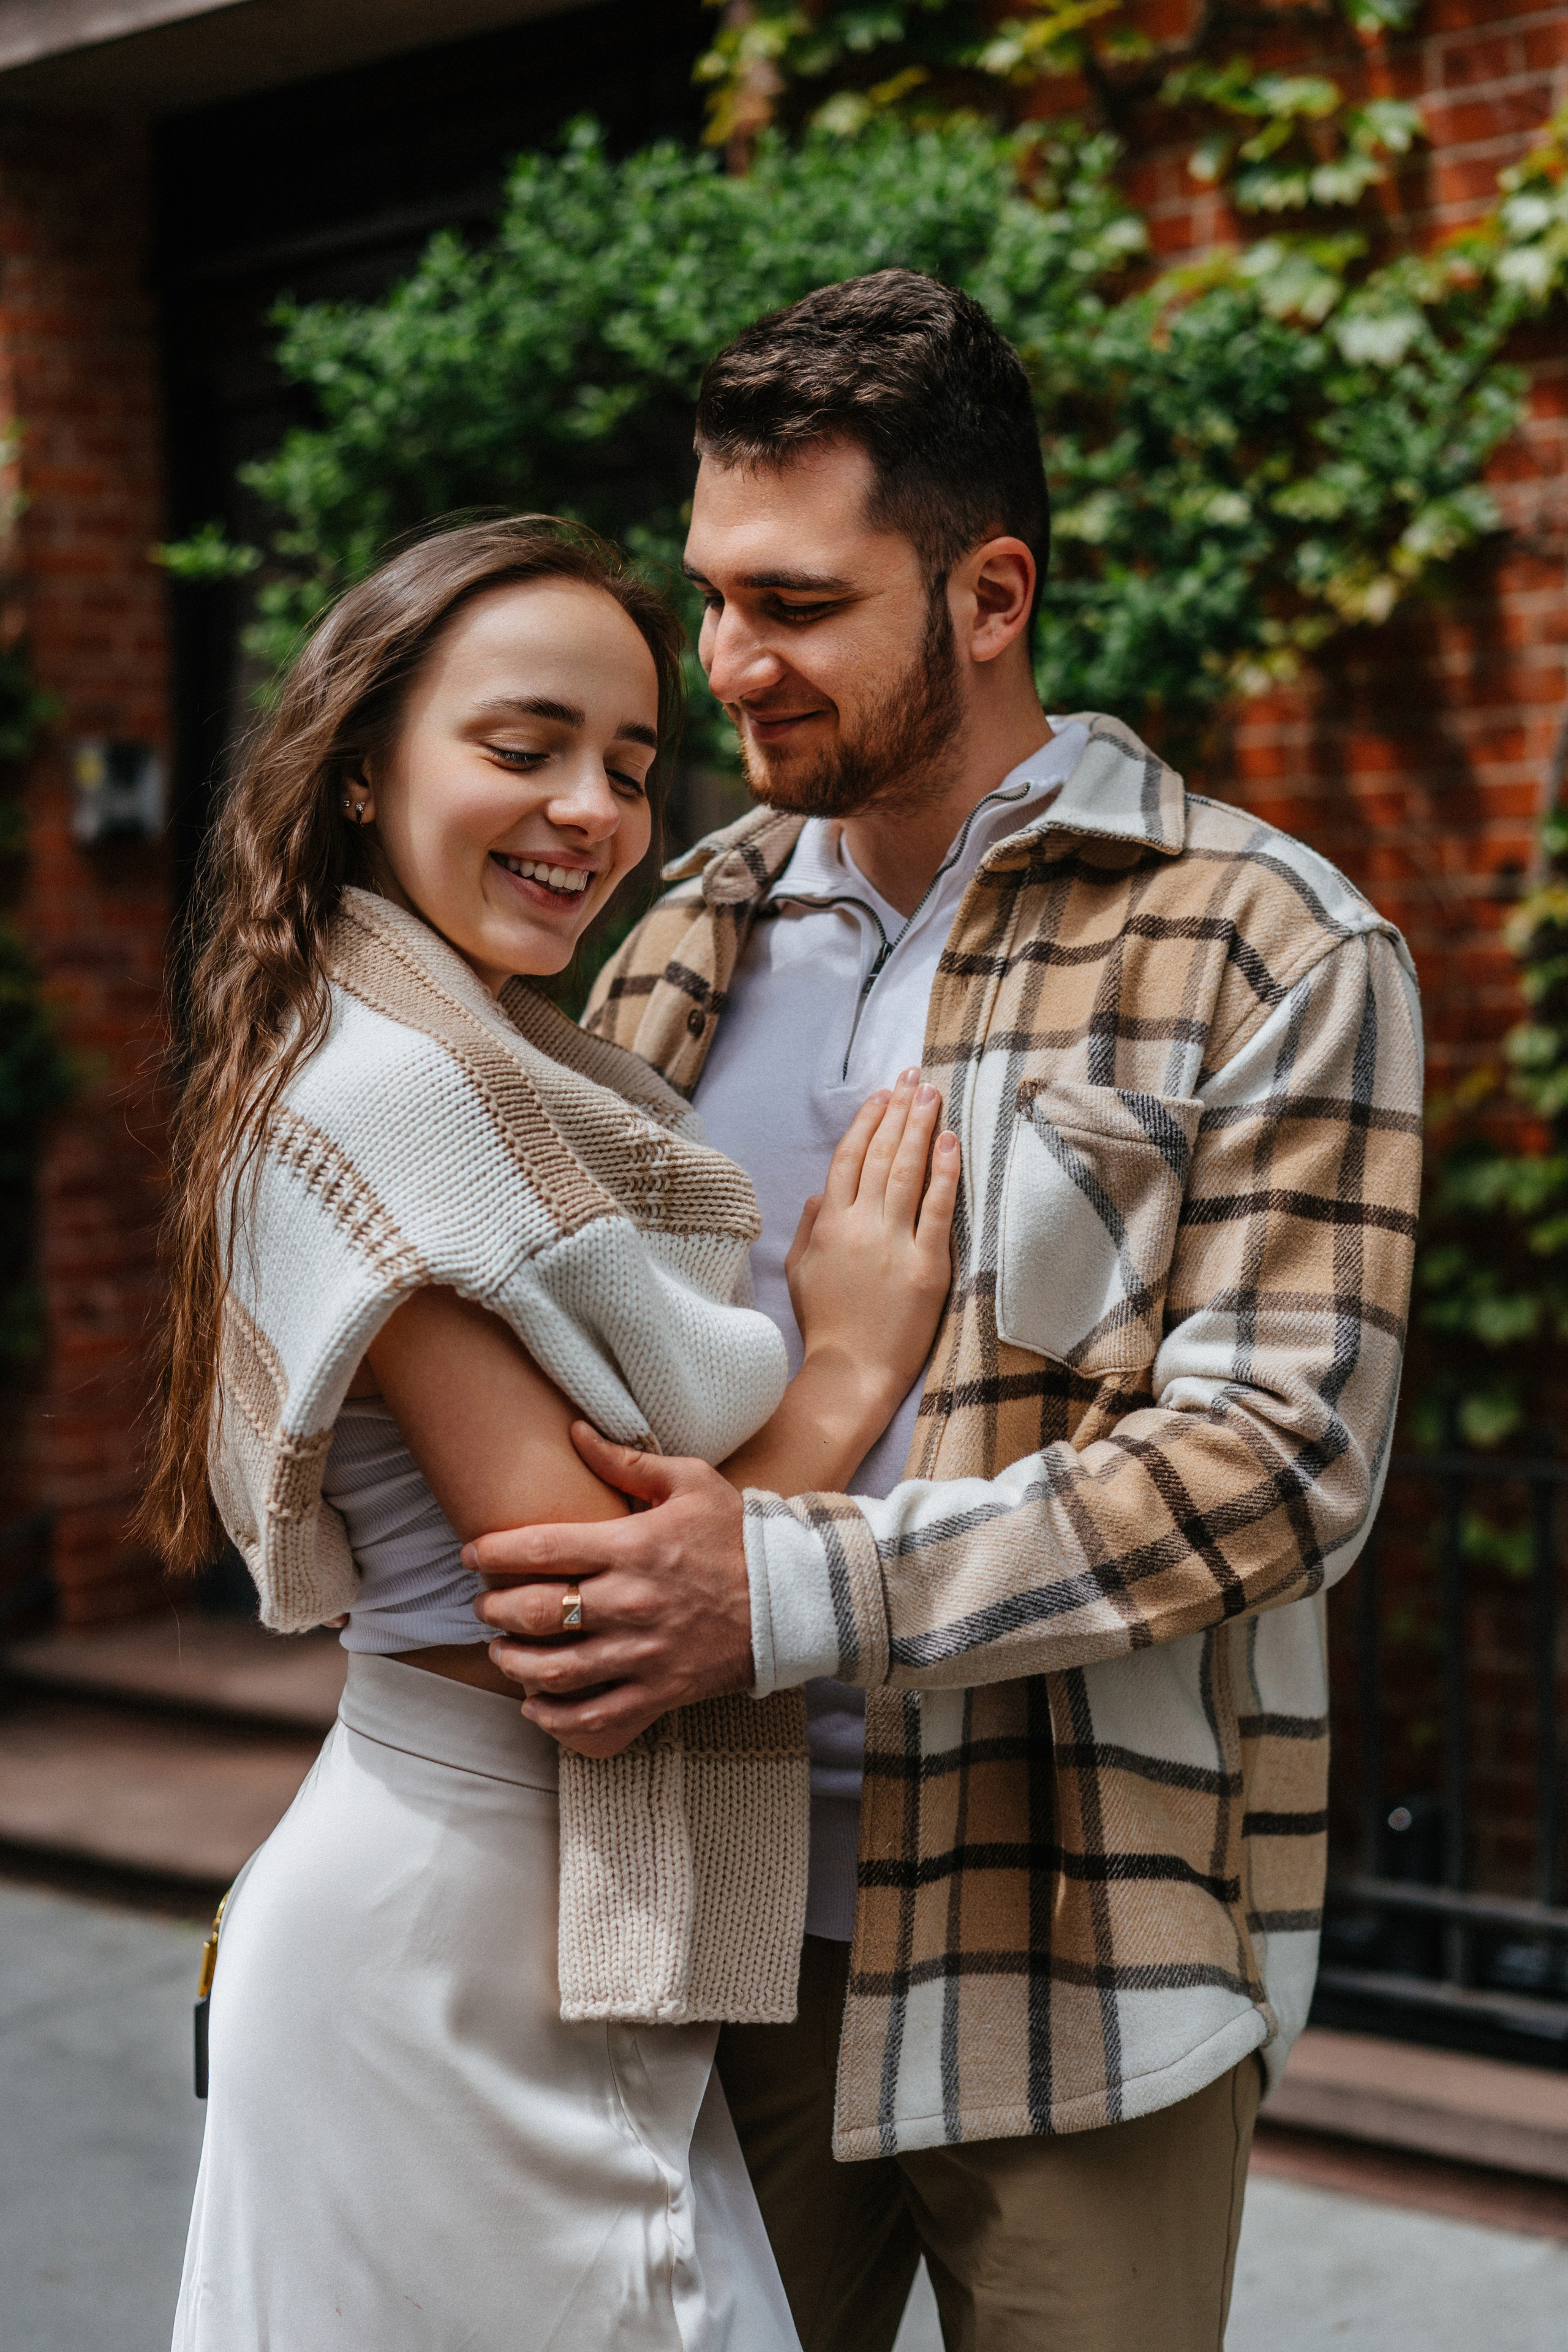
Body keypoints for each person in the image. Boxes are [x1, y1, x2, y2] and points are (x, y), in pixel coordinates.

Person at [467, 274, 1427, 2351]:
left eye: (797, 605)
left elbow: (1278, 1472)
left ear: (989, 597)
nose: (730, 663)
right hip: (711, 1929)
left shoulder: (1269, 941)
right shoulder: (668, 946)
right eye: (716, 597)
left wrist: (794, 1589)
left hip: (1081, 1955)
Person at [140, 514, 962, 2351]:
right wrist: (847, 1361)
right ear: (361, 771)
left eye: (627, 763)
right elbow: (591, 1606)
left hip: (508, 1904)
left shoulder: (487, 1067)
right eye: (522, 749)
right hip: (448, 1945)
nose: (590, 809)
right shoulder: (397, 1095)